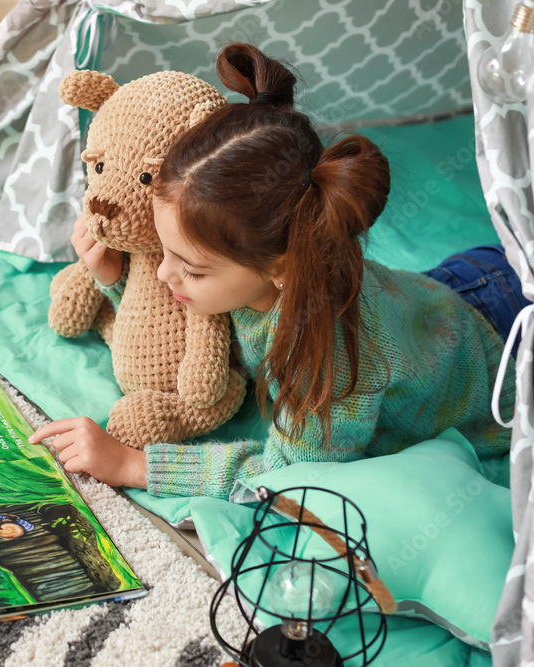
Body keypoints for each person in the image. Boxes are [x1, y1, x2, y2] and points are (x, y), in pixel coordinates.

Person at [29, 42, 526, 499]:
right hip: (449, 290)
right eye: (165, 251)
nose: (164, 276)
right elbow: (163, 326)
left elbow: (289, 473)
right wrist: (113, 279)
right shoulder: (260, 258)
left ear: (280, 267)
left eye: (193, 270)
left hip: (505, 329)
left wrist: (134, 465)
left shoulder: (330, 370)